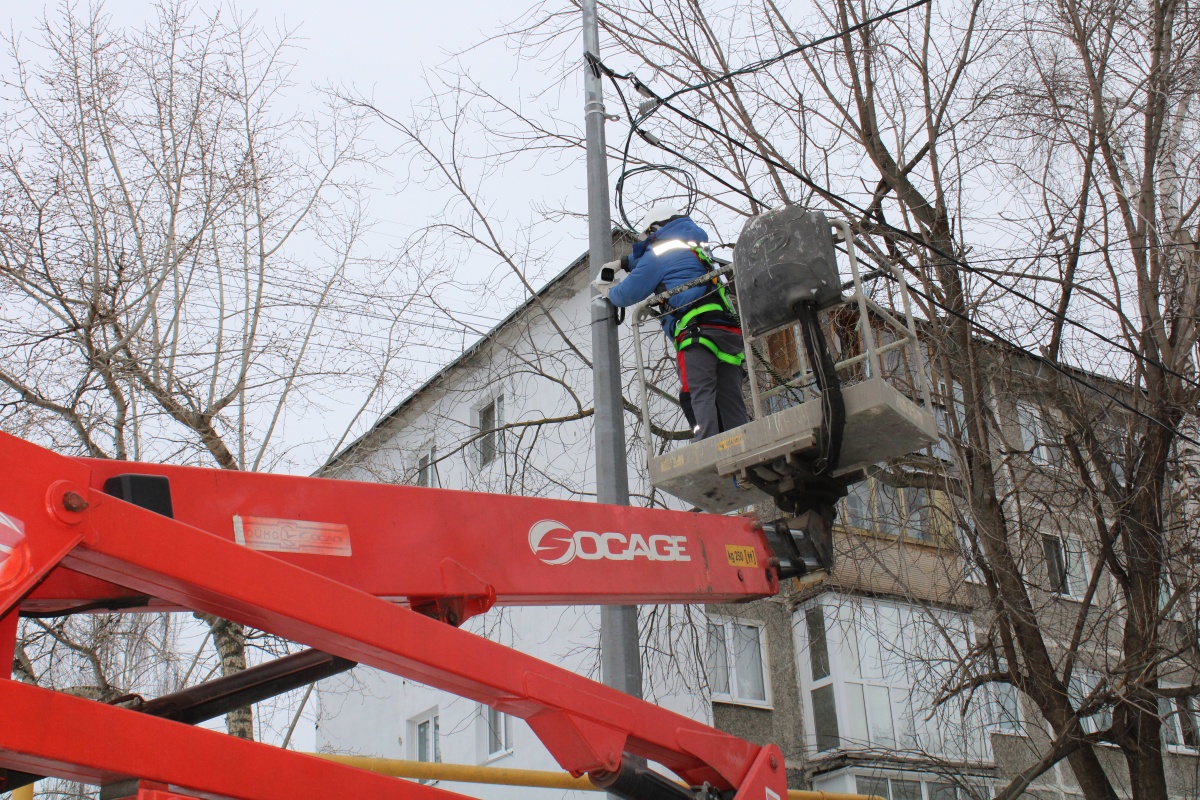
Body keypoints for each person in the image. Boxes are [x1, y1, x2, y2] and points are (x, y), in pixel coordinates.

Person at [593, 204, 748, 440]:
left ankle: (707, 446)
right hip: (727, 332)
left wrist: (607, 289)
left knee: (697, 395)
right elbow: (653, 259)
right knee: (731, 403)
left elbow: (627, 293)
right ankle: (743, 455)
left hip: (696, 334)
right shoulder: (695, 245)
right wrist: (623, 262)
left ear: (655, 229)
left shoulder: (657, 255)